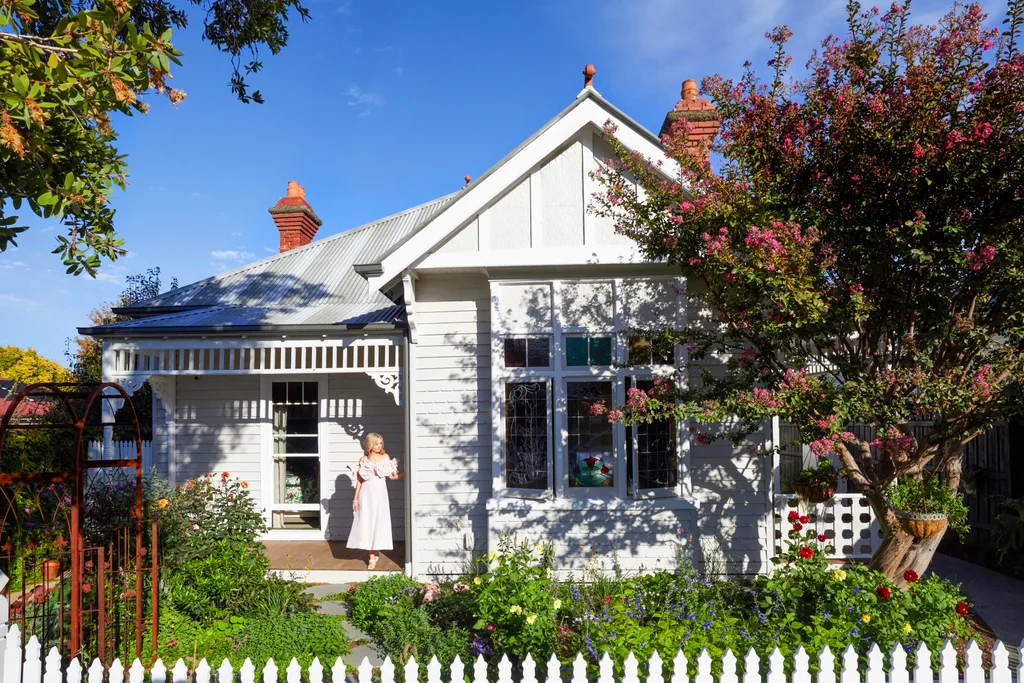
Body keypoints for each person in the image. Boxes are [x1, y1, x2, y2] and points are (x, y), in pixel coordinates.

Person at [348, 432, 403, 570]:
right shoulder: (363, 459)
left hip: (380, 495)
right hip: (366, 495)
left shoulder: (385, 458)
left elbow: (393, 477)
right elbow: (360, 480)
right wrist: (355, 499)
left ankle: (375, 549)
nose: (379, 446)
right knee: (367, 522)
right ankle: (371, 557)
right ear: (370, 444)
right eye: (376, 443)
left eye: (380, 443)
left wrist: (408, 472)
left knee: (378, 522)